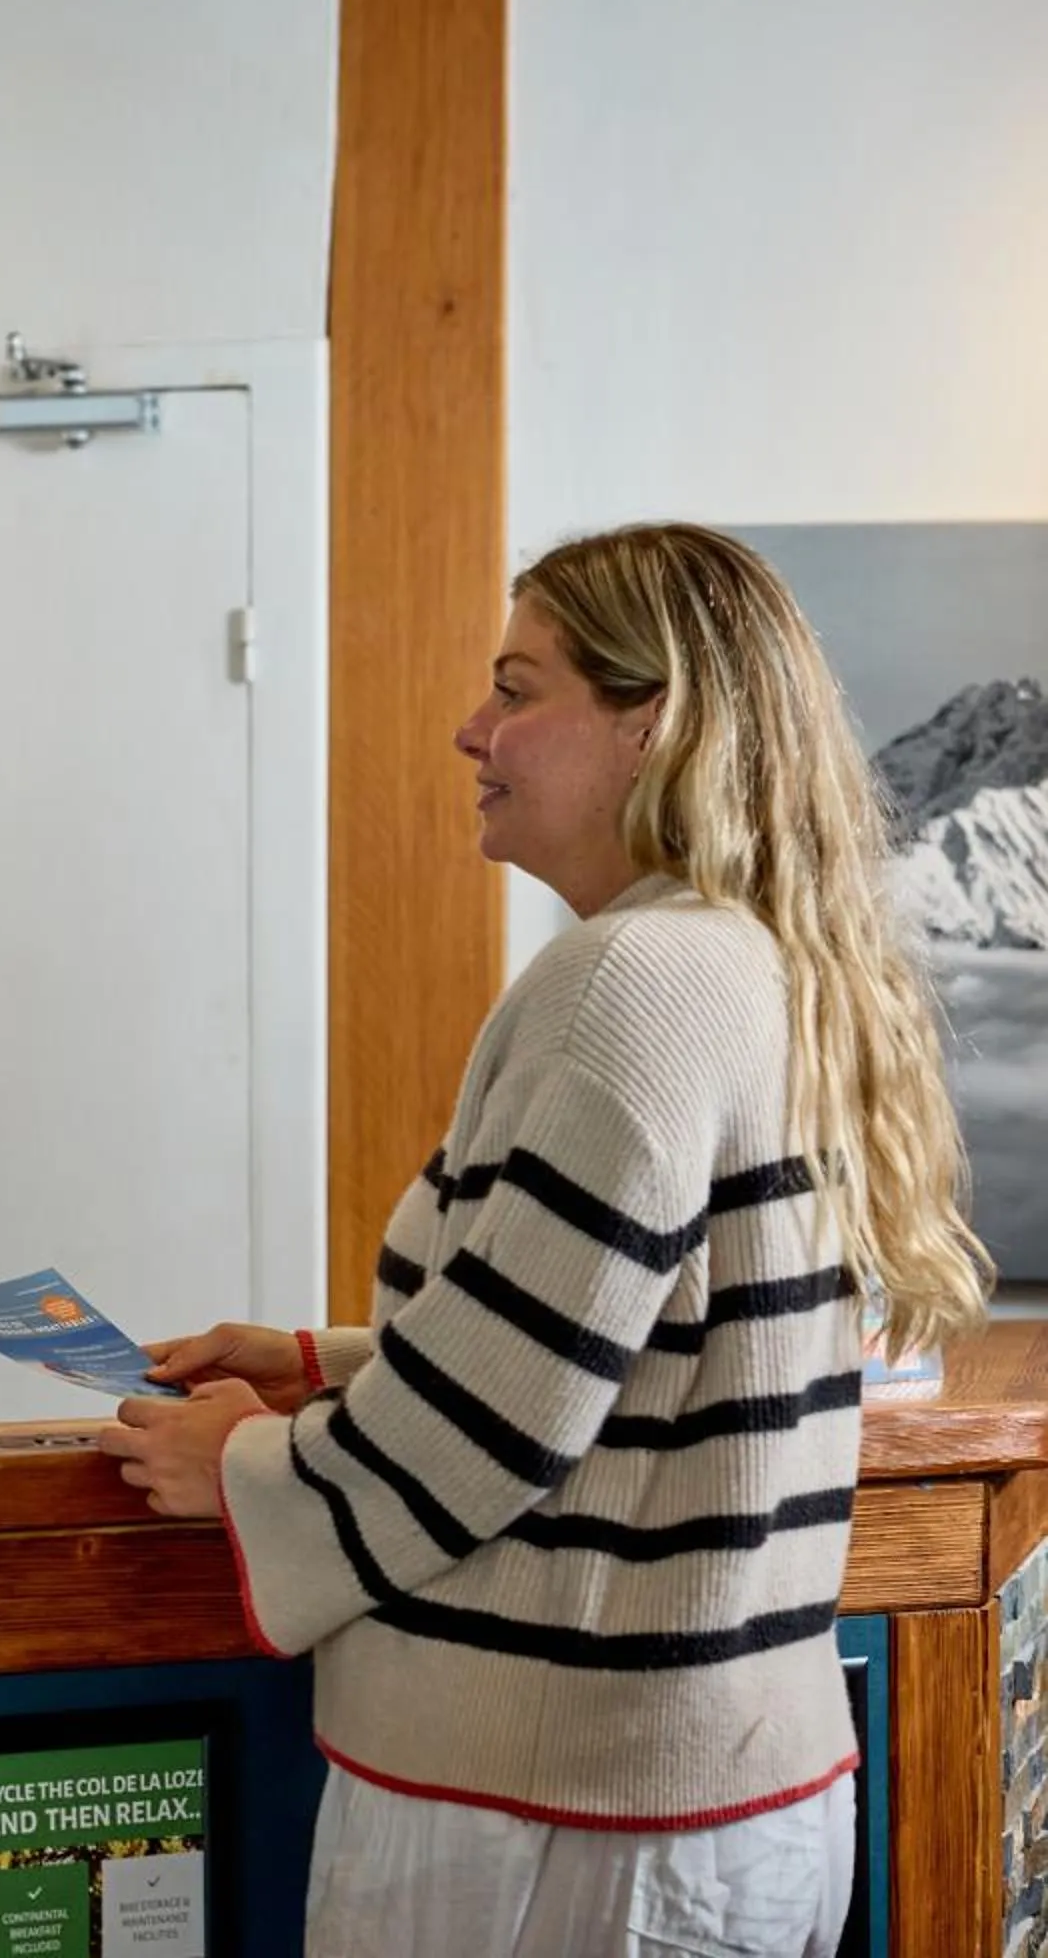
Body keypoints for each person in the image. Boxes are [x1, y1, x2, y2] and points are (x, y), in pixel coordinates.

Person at [99, 523, 988, 1956]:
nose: (472, 730)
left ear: (657, 724)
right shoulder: (765, 960)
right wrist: (328, 1364)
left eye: (518, 688)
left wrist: (243, 1462)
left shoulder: (630, 979)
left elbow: (498, 1432)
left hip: (562, 1822)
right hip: (721, 1795)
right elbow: (640, 1350)